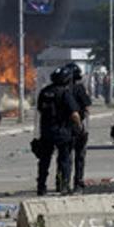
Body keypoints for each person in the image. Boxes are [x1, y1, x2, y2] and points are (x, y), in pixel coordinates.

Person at [34, 66, 81, 196]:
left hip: (46, 131)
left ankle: (41, 186)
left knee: (44, 161)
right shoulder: (65, 93)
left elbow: (40, 109)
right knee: (64, 160)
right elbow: (74, 114)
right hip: (62, 131)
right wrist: (79, 126)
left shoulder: (44, 92)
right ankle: (63, 186)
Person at [66, 62, 92, 190]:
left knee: (65, 157)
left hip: (63, 127)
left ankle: (63, 184)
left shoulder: (60, 89)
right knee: (79, 156)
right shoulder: (79, 88)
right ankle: (78, 182)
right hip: (77, 126)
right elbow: (87, 107)